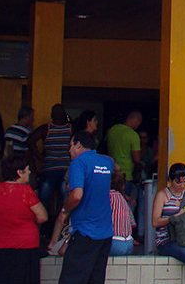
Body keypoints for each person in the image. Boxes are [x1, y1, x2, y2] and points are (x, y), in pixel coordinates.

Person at [59, 131, 114, 284]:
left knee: (72, 279)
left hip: (85, 231)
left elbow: (77, 195)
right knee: (95, 279)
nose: (69, 151)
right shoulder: (107, 162)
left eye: (70, 146)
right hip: (105, 232)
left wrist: (65, 211)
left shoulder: (78, 162)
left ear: (78, 145)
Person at [0, 155, 47, 284]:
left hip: (2, 244)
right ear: (19, 173)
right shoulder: (25, 191)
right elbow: (43, 216)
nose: (30, 172)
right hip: (25, 244)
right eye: (27, 170)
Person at [29, 104, 73, 219]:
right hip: (62, 170)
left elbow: (30, 141)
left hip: (53, 169)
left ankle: (46, 226)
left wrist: (40, 157)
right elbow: (30, 141)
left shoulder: (46, 129)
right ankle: (56, 226)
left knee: (47, 200)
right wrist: (39, 157)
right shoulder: (70, 129)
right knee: (61, 200)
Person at [106, 111, 143, 182]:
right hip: (126, 175)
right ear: (138, 121)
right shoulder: (133, 135)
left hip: (111, 171)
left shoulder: (112, 129)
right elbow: (137, 159)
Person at [108, 167, 135, 256]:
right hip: (129, 244)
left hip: (115, 243)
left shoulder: (106, 197)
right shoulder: (123, 199)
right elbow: (132, 222)